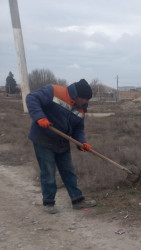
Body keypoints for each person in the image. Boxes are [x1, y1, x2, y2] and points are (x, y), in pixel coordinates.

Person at [26, 79, 97, 214]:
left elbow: (78, 129)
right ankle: (49, 203)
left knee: (68, 171)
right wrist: (39, 117)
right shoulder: (53, 91)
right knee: (48, 172)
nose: (87, 102)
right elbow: (31, 98)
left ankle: (78, 200)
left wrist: (82, 142)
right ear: (77, 96)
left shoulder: (81, 108)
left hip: (62, 142)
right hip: (43, 139)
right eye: (85, 99)